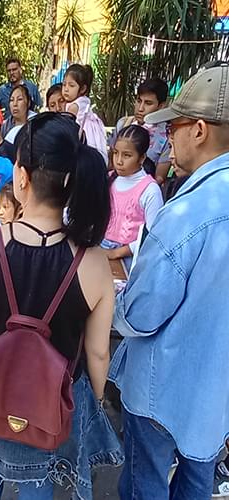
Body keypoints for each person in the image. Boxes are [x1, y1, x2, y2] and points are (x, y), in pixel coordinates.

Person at [0, 112, 121, 499]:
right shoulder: (93, 263)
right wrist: (91, 401)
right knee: (38, 483)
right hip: (53, 405)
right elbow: (97, 353)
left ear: (21, 177)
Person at [109, 62, 229, 500]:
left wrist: (115, 305)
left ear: (198, 130)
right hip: (217, 395)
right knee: (198, 481)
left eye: (172, 127)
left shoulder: (186, 213)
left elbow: (141, 314)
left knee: (146, 486)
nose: (168, 139)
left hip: (163, 390)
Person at [101, 125, 163, 270]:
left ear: (142, 158)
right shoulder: (109, 179)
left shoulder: (150, 190)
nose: (119, 161)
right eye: (116, 153)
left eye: (127, 155)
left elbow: (151, 235)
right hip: (102, 248)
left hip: (131, 257)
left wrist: (116, 253)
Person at [108, 78, 171, 181]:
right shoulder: (123, 124)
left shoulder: (167, 136)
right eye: (138, 101)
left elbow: (159, 178)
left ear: (161, 106)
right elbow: (110, 162)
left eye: (148, 103)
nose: (140, 108)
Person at [63, 64, 109, 164]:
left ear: (83, 89)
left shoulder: (74, 106)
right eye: (64, 84)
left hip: (84, 132)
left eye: (71, 85)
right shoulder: (83, 100)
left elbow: (67, 125)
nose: (66, 89)